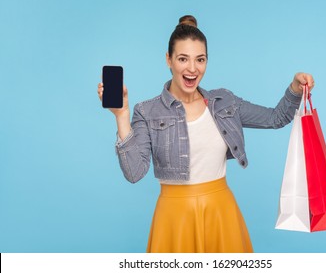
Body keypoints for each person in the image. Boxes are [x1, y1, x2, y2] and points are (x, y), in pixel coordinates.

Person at [97, 15, 314, 253]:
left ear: (207, 61)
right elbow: (134, 173)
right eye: (183, 59)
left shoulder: (224, 102)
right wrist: (121, 115)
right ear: (168, 60)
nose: (192, 69)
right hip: (174, 217)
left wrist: (294, 88)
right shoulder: (147, 111)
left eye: (200, 59)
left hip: (221, 211)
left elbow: (276, 118)